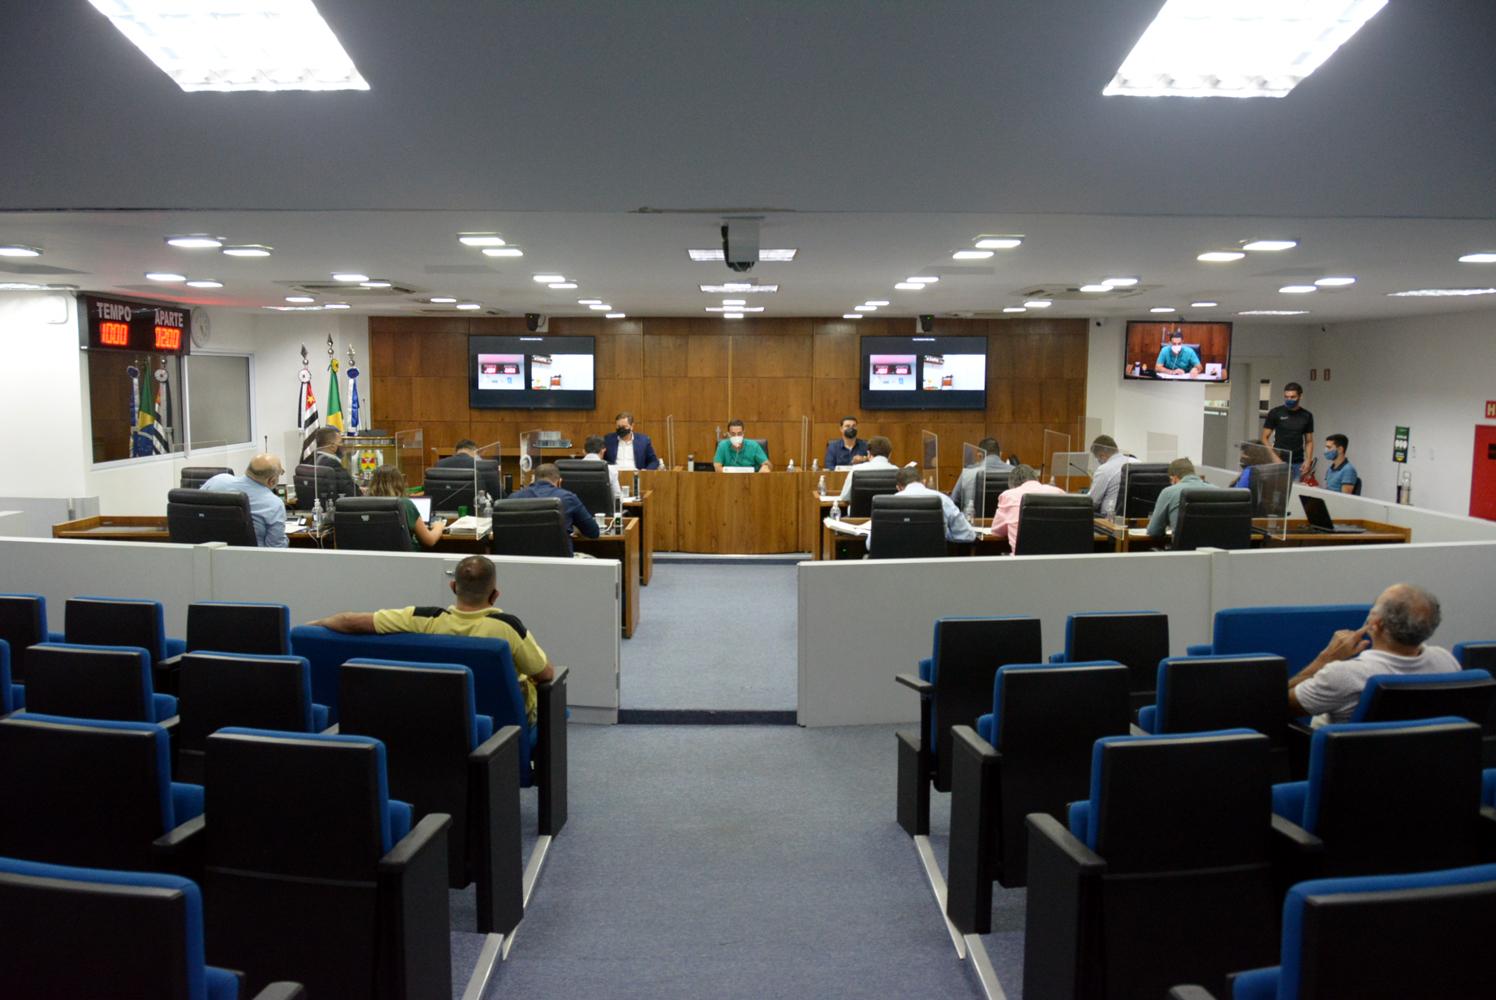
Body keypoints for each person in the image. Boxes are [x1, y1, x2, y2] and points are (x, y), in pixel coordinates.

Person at [308, 555, 555, 726]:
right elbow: (545, 675)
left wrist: (311, 627)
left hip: (438, 716)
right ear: (495, 594)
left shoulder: (421, 619)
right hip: (507, 722)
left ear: (453, 586)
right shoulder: (508, 628)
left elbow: (351, 622)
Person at [1287, 583, 1461, 724]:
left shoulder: (1343, 676)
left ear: (1376, 624)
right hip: (1429, 763)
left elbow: (1277, 706)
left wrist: (1325, 659)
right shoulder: (1447, 662)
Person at [865, 466, 975, 552]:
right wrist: (944, 534)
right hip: (934, 569)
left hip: (893, 571)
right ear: (924, 481)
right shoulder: (943, 500)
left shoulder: (885, 504)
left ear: (898, 488)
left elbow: (870, 545)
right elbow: (968, 535)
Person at [509, 463, 599, 555]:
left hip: (520, 563)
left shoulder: (513, 498)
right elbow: (593, 532)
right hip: (560, 564)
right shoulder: (568, 498)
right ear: (559, 482)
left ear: (533, 481)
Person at [201, 453, 289, 548]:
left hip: (207, 554)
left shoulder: (217, 480)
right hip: (252, 560)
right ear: (271, 481)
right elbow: (276, 548)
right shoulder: (273, 504)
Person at [989, 463, 1064, 554]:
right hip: (1059, 561)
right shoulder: (1058, 492)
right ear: (1036, 478)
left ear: (1013, 486)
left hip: (1022, 564)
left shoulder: (1009, 495)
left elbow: (997, 531)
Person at [366, 464, 446, 548]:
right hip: (406, 558)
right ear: (399, 483)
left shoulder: (364, 504)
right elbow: (429, 541)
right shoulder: (404, 504)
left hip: (370, 558)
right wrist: (438, 527)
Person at [1146, 457, 1218, 538]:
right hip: (1214, 548)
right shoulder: (1216, 490)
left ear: (1174, 478)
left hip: (1182, 549)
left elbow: (1154, 531)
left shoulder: (1169, 492)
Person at [293, 426, 362, 510]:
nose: (343, 445)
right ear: (333, 446)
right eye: (340, 442)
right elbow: (353, 494)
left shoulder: (309, 459)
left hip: (312, 512)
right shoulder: (333, 464)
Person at [1262, 382, 1315, 482]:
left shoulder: (1307, 416)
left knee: (1294, 493)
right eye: (1286, 397)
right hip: (1279, 460)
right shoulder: (1275, 413)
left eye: (1292, 397)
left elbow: (1309, 441)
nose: (1289, 400)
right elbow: (1264, 438)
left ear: (1300, 396)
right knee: (1277, 493)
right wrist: (1274, 457)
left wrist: (1308, 460)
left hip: (1297, 462)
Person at [949, 437, 1013, 516]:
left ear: (979, 455)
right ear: (1000, 454)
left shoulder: (967, 473)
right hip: (1006, 526)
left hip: (973, 526)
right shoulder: (1015, 473)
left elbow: (952, 503)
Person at [1086, 434, 1137, 519]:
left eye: (1097, 458)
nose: (1099, 461)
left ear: (1102, 456)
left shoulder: (1104, 469)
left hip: (1109, 521)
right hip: (1139, 519)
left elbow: (1092, 502)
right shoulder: (1138, 462)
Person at [433, 438, 503, 499]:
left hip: (444, 511)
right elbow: (499, 495)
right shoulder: (483, 466)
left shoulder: (439, 464)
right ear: (475, 451)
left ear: (456, 452)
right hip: (475, 512)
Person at [838, 436, 896, 501]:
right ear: (890, 454)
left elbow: (844, 497)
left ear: (868, 454)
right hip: (886, 511)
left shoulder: (856, 470)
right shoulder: (898, 471)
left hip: (859, 511)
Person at [580, 434, 621, 504]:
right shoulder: (611, 470)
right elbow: (617, 498)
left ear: (584, 451)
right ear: (603, 450)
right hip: (604, 514)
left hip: (577, 514)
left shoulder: (569, 468)